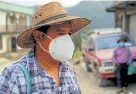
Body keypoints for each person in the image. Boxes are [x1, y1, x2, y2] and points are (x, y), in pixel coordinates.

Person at [0, 2, 91, 94]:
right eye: (60, 33)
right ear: (38, 36)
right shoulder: (14, 75)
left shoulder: (70, 71)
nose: (67, 39)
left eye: (69, 33)